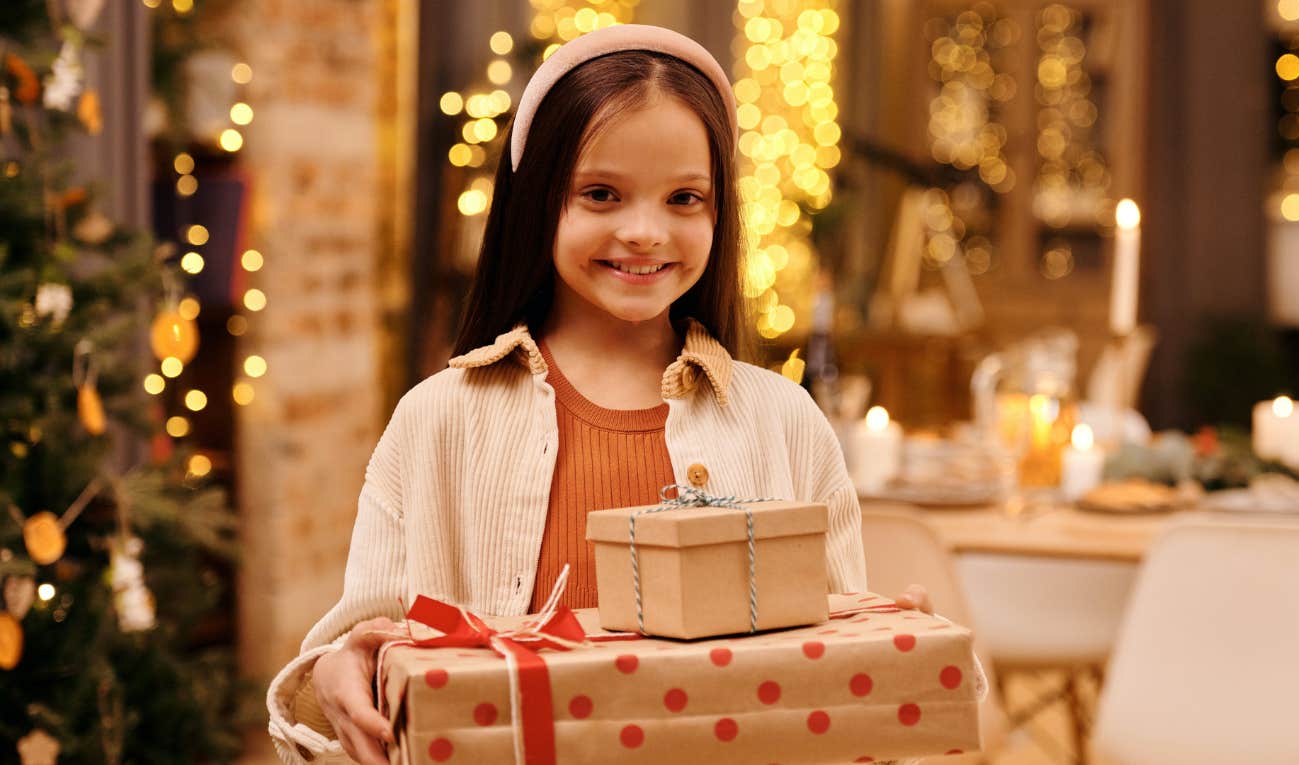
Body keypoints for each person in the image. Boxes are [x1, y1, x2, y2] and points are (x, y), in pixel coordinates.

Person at [265, 24, 932, 765]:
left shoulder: (786, 422)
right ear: (537, 203)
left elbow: (836, 689)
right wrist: (335, 669)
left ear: (718, 214)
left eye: (684, 197)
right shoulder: (436, 422)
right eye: (601, 193)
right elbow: (366, 651)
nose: (645, 231)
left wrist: (888, 659)